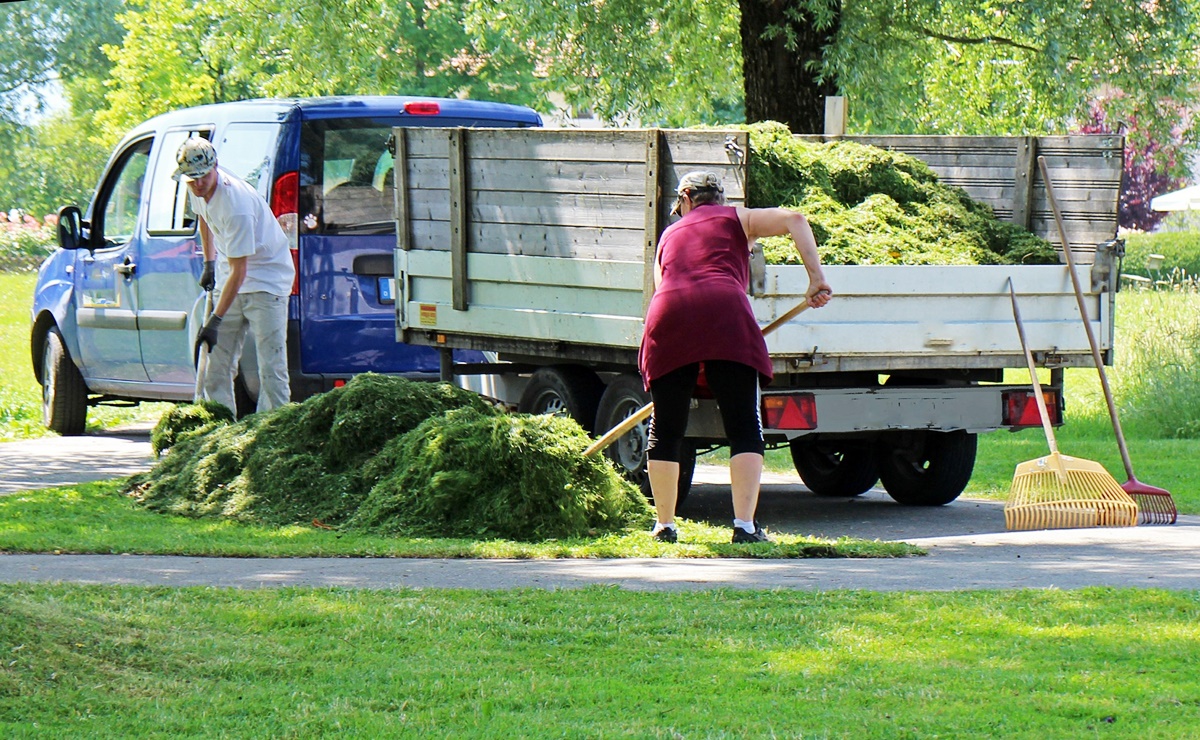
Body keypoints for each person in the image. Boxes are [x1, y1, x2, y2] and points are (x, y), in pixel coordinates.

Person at [638, 171, 832, 544]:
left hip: (668, 313)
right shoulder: (737, 218)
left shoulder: (667, 235)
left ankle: (665, 526)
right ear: (719, 198)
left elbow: (663, 286)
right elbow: (795, 219)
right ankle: (744, 526)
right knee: (743, 424)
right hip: (725, 309)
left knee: (666, 428)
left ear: (687, 200)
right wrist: (815, 279)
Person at [175, 136, 295, 414]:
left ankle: (272, 432)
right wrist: (209, 262)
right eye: (191, 180)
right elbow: (203, 218)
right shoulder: (196, 189)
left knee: (271, 368)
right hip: (231, 276)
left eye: (203, 177)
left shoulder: (236, 205)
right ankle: (219, 429)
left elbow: (241, 272)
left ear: (215, 167)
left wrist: (215, 320)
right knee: (215, 366)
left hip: (267, 280)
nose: (198, 184)